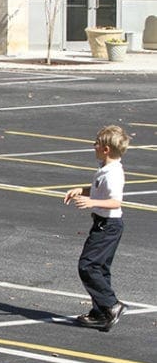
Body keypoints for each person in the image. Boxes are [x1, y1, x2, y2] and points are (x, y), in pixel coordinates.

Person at [64, 125, 130, 332]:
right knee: (100, 268)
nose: (93, 146)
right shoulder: (105, 168)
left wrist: (91, 202)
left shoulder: (113, 174)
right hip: (103, 224)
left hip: (108, 226)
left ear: (106, 149)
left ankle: (111, 305)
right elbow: (99, 191)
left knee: (87, 266)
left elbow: (115, 202)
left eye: (97, 143)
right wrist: (81, 190)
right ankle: (100, 313)